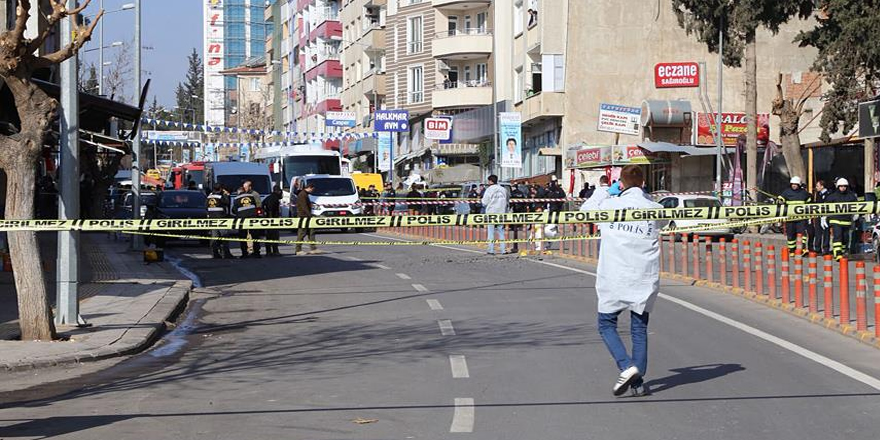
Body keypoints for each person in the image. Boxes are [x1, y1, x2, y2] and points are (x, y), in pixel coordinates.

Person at [579, 165, 664, 397]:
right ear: (644, 183)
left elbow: (585, 210)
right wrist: (643, 196)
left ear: (622, 184)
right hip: (643, 278)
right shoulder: (654, 208)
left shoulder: (609, 205)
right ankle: (638, 383)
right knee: (639, 328)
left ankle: (627, 367)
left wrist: (605, 190)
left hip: (614, 276)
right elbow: (664, 223)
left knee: (606, 325)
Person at [825, 178, 858, 261]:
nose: (843, 188)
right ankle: (837, 253)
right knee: (837, 236)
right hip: (835, 220)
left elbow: (857, 206)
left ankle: (842, 251)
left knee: (845, 238)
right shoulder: (832, 196)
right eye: (841, 186)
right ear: (838, 187)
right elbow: (825, 207)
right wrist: (824, 217)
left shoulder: (851, 196)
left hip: (846, 221)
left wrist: (856, 214)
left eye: (844, 186)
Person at [778, 176, 811, 253]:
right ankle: (792, 250)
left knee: (802, 233)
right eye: (792, 184)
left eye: (795, 184)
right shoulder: (787, 192)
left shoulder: (804, 193)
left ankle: (802, 248)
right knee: (790, 234)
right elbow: (781, 198)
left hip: (801, 219)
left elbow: (810, 200)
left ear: (799, 185)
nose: (794, 186)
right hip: (790, 218)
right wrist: (780, 201)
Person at [481, 174, 510, 255]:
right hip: (501, 212)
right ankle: (503, 250)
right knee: (501, 231)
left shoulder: (489, 190)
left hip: (491, 212)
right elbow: (507, 200)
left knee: (491, 232)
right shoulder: (503, 189)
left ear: (490, 181)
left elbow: (484, 202)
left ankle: (491, 249)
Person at [232, 185, 262, 259]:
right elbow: (255, 205)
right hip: (253, 218)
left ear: (238, 192)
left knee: (243, 237)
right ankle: (257, 253)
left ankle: (244, 254)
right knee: (255, 236)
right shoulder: (251, 196)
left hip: (242, 220)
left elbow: (234, 210)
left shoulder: (236, 198)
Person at [206, 183, 234, 259]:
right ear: (220, 189)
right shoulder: (220, 196)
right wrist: (227, 195)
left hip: (212, 220)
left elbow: (206, 207)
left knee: (214, 237)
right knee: (224, 236)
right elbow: (227, 202)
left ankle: (215, 254)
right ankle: (226, 253)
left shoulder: (209, 197)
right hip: (221, 219)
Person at [295, 182, 320, 255]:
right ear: (310, 188)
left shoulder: (305, 194)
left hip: (307, 216)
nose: (312, 191)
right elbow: (304, 207)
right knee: (302, 233)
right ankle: (298, 250)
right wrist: (309, 215)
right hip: (303, 216)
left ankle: (313, 248)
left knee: (311, 232)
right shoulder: (302, 195)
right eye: (312, 190)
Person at [262, 184, 283, 256]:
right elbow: (271, 209)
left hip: (267, 219)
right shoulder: (274, 198)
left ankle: (268, 252)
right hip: (273, 219)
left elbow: (263, 205)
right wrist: (272, 218)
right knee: (274, 236)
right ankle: (275, 251)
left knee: (268, 236)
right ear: (278, 191)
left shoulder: (268, 197)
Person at [812, 180, 830, 255]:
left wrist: (825, 216)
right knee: (817, 232)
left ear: (822, 186)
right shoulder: (818, 194)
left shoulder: (828, 194)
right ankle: (817, 248)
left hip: (825, 216)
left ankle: (825, 249)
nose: (816, 187)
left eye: (817, 186)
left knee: (826, 233)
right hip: (818, 215)